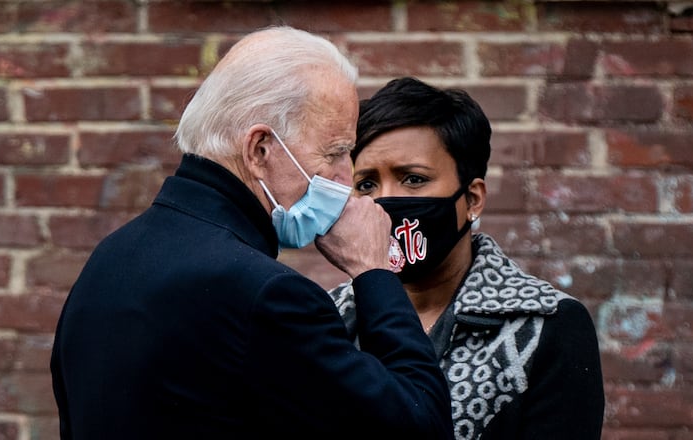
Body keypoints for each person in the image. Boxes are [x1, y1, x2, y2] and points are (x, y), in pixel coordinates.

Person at [50, 27, 453, 439]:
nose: (345, 177)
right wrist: (374, 272)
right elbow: (419, 425)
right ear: (260, 150)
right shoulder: (264, 295)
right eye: (334, 152)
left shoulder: (111, 258)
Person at [329, 77, 605, 439]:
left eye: (413, 179)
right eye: (365, 184)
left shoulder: (544, 326)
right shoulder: (330, 316)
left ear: (472, 199)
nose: (384, 203)